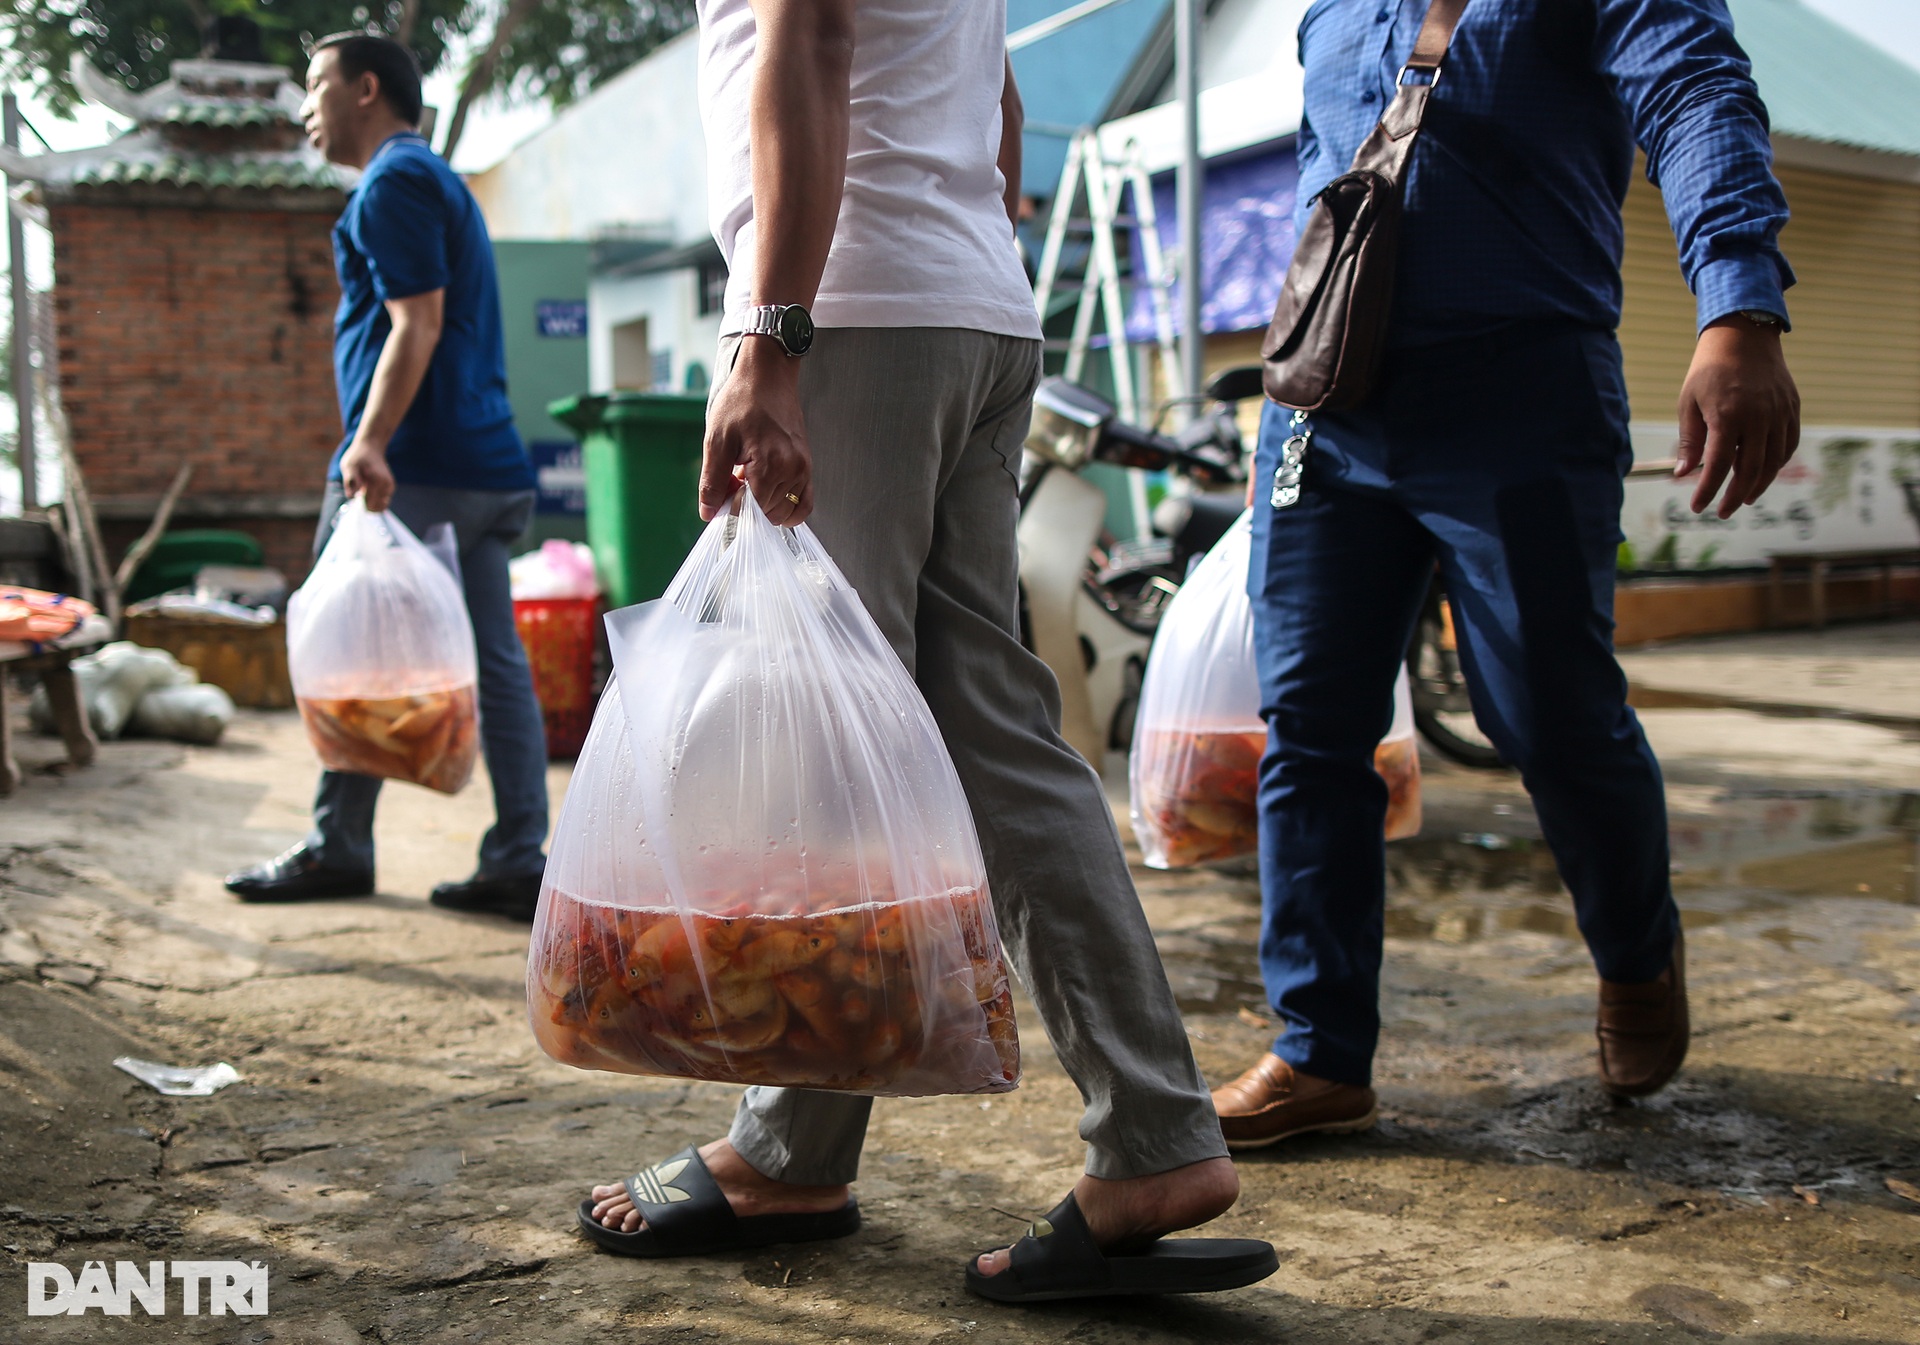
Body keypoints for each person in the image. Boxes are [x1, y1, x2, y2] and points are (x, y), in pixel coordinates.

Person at [575, 0, 1274, 1303]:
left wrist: (772, 334)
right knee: (989, 728)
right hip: (973, 308)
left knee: (831, 734)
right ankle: (1151, 1136)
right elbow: (997, 107)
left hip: (856, 308)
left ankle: (794, 1152)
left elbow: (811, 35)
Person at [1210, 0, 1801, 1149]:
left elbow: (1694, 94)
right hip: (1327, 405)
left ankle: (1636, 955)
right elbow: (1326, 178)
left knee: (1550, 713)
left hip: (1522, 387)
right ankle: (1318, 1049)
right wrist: (1280, 405)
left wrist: (1740, 308)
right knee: (1310, 728)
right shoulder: (1328, 10)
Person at [224, 34, 551, 921]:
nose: (304, 106)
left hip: (414, 470)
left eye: (315, 85)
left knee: (344, 645)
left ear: (366, 90)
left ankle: (340, 844)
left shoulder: (393, 183)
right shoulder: (436, 179)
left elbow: (418, 322)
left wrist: (366, 444)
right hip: (484, 465)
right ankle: (521, 853)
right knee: (495, 663)